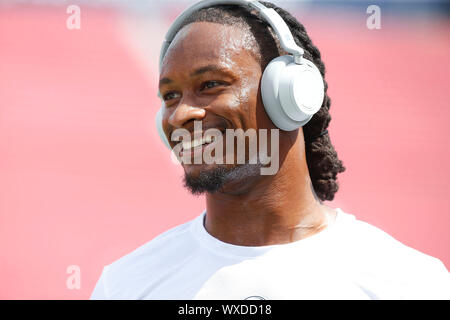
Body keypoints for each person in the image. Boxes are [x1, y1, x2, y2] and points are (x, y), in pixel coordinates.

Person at [91, 1, 450, 299]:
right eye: (170, 96)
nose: (181, 113)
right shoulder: (125, 286)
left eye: (210, 84)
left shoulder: (410, 284)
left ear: (289, 94)